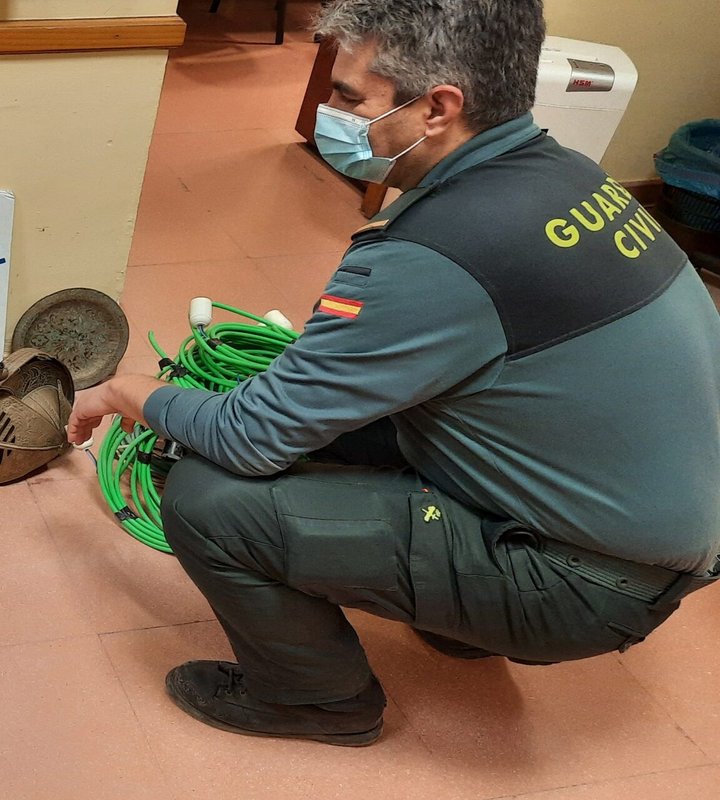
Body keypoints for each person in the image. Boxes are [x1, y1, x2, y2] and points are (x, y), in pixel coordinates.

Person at [68, 0, 720, 747]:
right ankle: (464, 616)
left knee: (211, 496)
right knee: (345, 414)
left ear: (438, 108)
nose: (328, 111)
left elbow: (251, 437)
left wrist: (125, 392)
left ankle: (314, 700)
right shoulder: (571, 176)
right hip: (652, 532)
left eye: (350, 98)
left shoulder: (434, 257)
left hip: (590, 584)